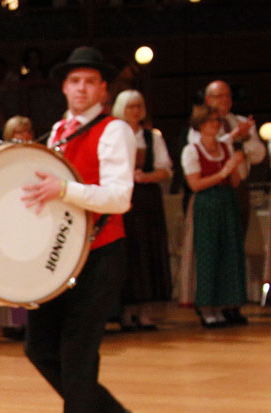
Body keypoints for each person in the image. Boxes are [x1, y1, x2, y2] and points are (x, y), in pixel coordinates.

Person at [20, 46, 136, 413]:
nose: (81, 88)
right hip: (63, 258)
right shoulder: (59, 130)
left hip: (102, 254)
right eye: (74, 81)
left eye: (90, 81)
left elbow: (119, 197)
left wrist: (64, 189)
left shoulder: (114, 131)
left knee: (78, 355)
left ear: (104, 89)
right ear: (65, 87)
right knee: (39, 347)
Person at [186, 80, 264, 325]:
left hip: (232, 194)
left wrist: (241, 143)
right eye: (219, 97)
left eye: (228, 96)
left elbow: (256, 156)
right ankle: (208, 306)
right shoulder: (195, 142)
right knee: (209, 253)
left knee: (232, 250)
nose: (224, 102)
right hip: (208, 199)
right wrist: (228, 162)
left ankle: (230, 303)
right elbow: (197, 180)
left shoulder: (234, 129)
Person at [112, 90, 173, 330]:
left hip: (146, 200)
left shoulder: (152, 137)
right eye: (130, 107)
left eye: (139, 106)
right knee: (129, 253)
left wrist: (146, 176)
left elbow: (166, 170)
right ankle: (127, 311)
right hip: (123, 199)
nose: (135, 111)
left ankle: (146, 312)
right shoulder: (115, 135)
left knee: (149, 252)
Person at [181, 105, 245, 327]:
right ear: (200, 126)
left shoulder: (225, 147)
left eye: (217, 122)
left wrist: (235, 167)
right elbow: (195, 184)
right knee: (207, 254)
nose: (215, 126)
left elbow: (235, 182)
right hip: (206, 204)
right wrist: (223, 172)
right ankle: (206, 307)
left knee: (228, 252)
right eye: (210, 122)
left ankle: (224, 304)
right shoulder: (192, 150)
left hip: (226, 203)